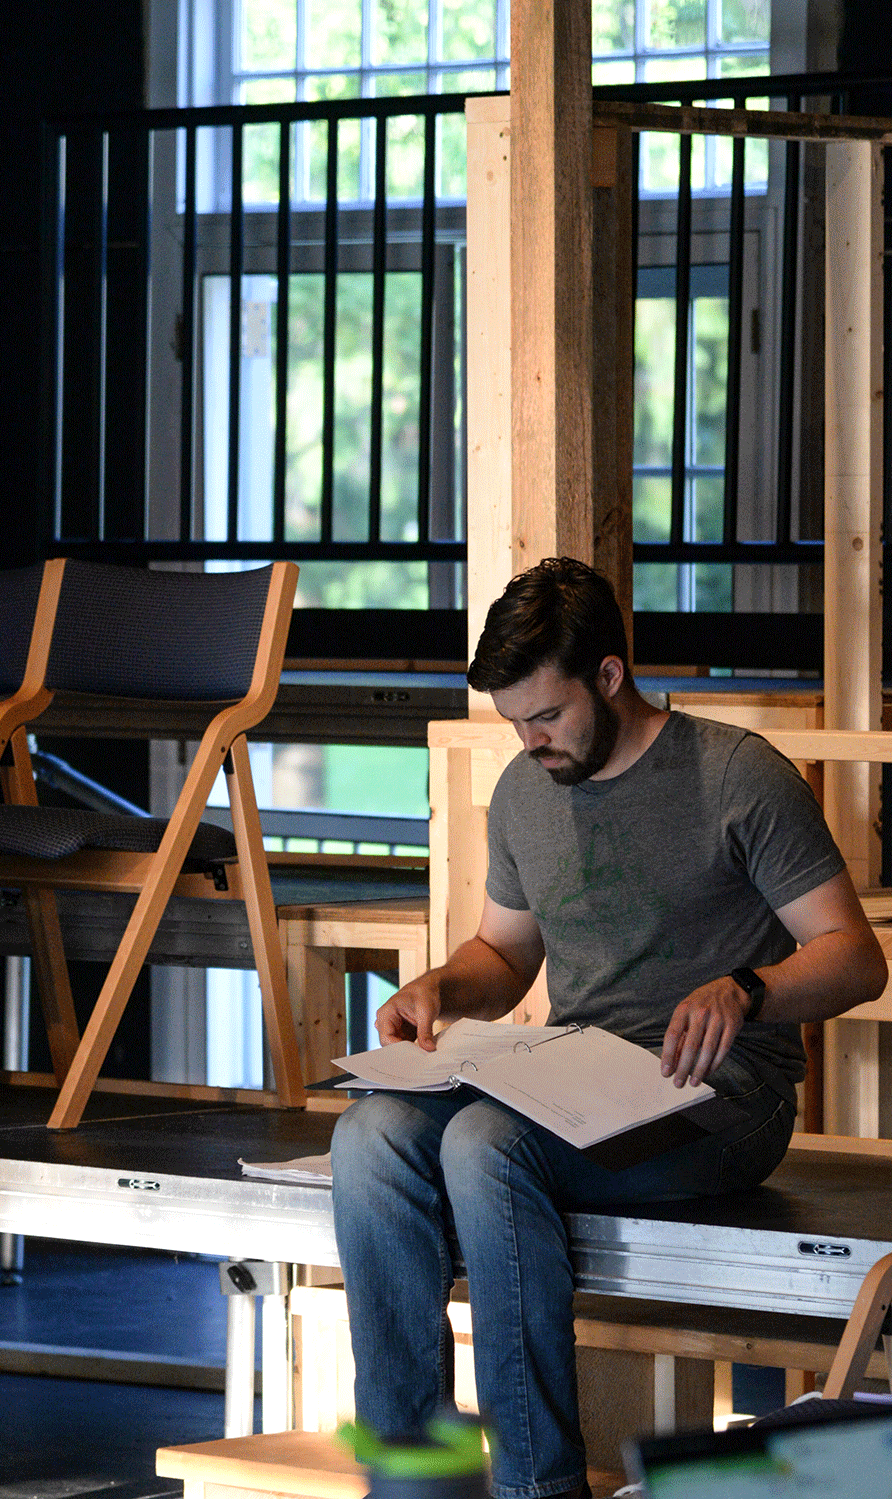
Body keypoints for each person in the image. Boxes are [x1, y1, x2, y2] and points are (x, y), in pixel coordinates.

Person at [330, 557, 888, 1499]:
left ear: (609, 675)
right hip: (572, 1079)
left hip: (721, 1096)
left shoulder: (736, 774)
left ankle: (535, 1485)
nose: (532, 740)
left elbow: (853, 955)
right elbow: (503, 958)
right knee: (371, 1134)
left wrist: (745, 988)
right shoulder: (524, 790)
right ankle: (409, 1472)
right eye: (514, 721)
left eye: (546, 716)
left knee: (482, 1143)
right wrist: (440, 986)